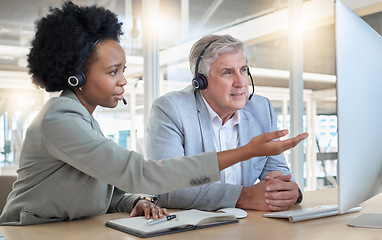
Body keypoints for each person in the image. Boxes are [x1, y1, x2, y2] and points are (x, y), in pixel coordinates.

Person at [0, 2, 307, 226]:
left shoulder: (83, 118)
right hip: (30, 233)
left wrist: (136, 200)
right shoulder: (60, 119)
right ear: (75, 76)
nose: (123, 80)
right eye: (112, 71)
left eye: (123, 70)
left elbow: (107, 190)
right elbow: (144, 173)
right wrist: (245, 152)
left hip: (72, 230)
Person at [146, 34, 304, 212]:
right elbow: (166, 188)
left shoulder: (261, 108)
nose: (241, 83)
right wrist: (244, 196)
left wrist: (287, 191)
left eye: (243, 70)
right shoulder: (171, 109)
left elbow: (276, 170)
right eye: (228, 72)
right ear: (201, 81)